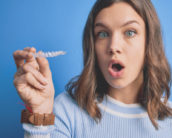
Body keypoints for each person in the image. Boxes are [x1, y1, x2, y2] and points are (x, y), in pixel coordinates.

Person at [13, 0, 172, 137]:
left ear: (149, 42)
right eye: (102, 34)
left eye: (130, 32)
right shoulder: (67, 111)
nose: (113, 47)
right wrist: (39, 116)